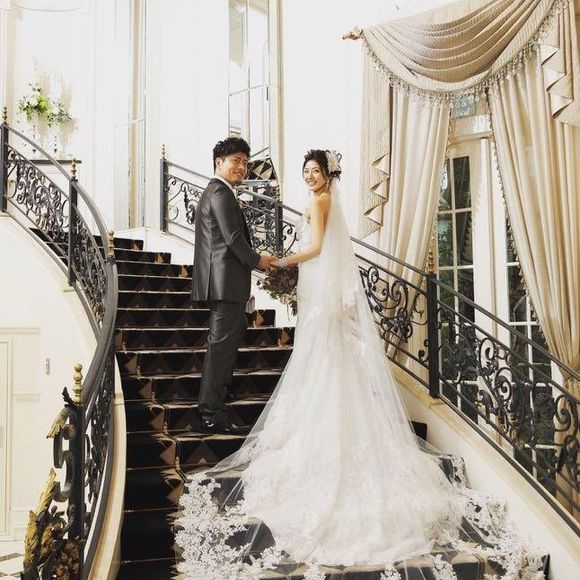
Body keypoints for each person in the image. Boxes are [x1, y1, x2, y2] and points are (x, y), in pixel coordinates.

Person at [177, 150, 543, 579]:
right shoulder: (290, 198)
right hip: (313, 287)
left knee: (321, 361)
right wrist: (278, 265)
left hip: (319, 290)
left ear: (328, 175)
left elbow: (316, 248)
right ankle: (216, 407)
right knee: (318, 361)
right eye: (306, 172)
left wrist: (282, 262)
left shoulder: (320, 202)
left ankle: (229, 411)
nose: (310, 177)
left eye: (315, 171)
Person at [191, 137, 275, 434]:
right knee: (221, 350)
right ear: (219, 162)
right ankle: (211, 413)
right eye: (236, 161)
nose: (242, 167)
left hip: (226, 284)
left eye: (245, 162)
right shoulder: (220, 192)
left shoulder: (220, 192)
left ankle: (216, 403)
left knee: (223, 347)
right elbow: (232, 238)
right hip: (225, 285)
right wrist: (259, 261)